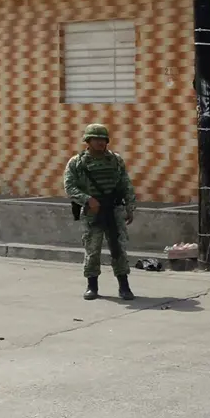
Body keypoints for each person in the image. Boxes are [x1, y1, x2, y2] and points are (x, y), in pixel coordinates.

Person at [64, 124, 137, 301]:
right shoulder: (77, 162)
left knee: (118, 248)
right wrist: (87, 200)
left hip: (113, 210)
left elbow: (125, 184)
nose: (100, 142)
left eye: (103, 139)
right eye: (96, 139)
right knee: (92, 249)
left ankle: (124, 286)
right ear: (87, 141)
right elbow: (69, 187)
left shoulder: (115, 160)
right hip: (92, 212)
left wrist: (130, 207)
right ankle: (92, 286)